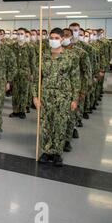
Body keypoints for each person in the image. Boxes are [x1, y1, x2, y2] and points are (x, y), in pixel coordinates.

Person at [33, 28, 80, 167]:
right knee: (46, 124)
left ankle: (57, 153)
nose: (53, 40)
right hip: (46, 96)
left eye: (56, 38)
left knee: (60, 125)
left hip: (63, 97)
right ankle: (47, 151)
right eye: (51, 37)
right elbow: (36, 79)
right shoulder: (43, 56)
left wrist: (74, 98)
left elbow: (75, 79)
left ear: (62, 39)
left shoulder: (71, 57)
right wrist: (35, 97)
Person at [9, 28, 36, 119]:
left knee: (24, 92)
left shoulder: (30, 47)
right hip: (15, 73)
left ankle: (22, 110)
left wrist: (32, 73)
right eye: (18, 34)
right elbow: (10, 61)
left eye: (21, 34)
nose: (20, 35)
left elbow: (33, 61)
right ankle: (15, 110)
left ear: (25, 35)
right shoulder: (12, 46)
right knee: (15, 92)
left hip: (25, 73)